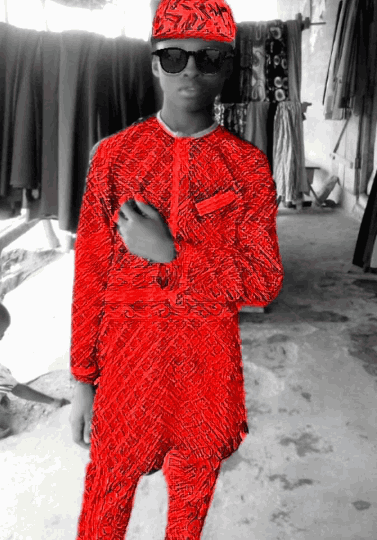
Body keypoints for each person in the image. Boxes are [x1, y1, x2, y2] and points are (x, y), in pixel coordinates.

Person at [69, 0, 284, 538]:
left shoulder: (247, 167)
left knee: (189, 511)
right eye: (173, 57)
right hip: (127, 362)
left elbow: (263, 280)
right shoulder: (114, 157)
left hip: (206, 369)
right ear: (154, 64)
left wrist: (174, 255)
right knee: (104, 505)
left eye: (208, 58)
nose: (190, 70)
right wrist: (82, 381)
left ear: (227, 67)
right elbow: (90, 272)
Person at [0, 297, 70, 444]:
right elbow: (16, 389)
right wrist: (54, 401)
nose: (2, 336)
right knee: (0, 380)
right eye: (1, 333)